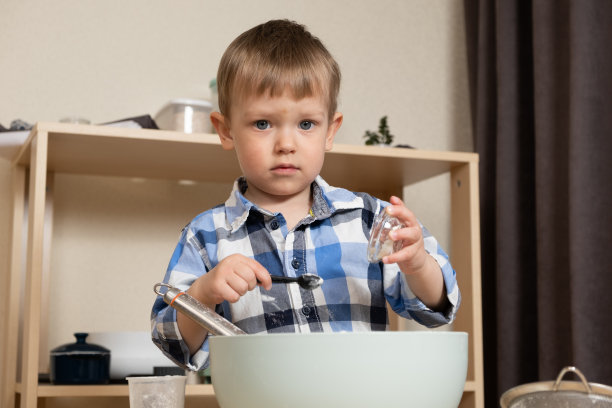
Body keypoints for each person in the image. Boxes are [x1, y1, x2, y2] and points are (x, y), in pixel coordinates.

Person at [151, 19, 460, 370]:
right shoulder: (205, 236)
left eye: (306, 124)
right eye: (263, 124)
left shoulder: (368, 219)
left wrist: (418, 264)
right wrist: (203, 293)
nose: (286, 145)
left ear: (331, 131)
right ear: (226, 131)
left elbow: (437, 309)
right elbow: (171, 343)